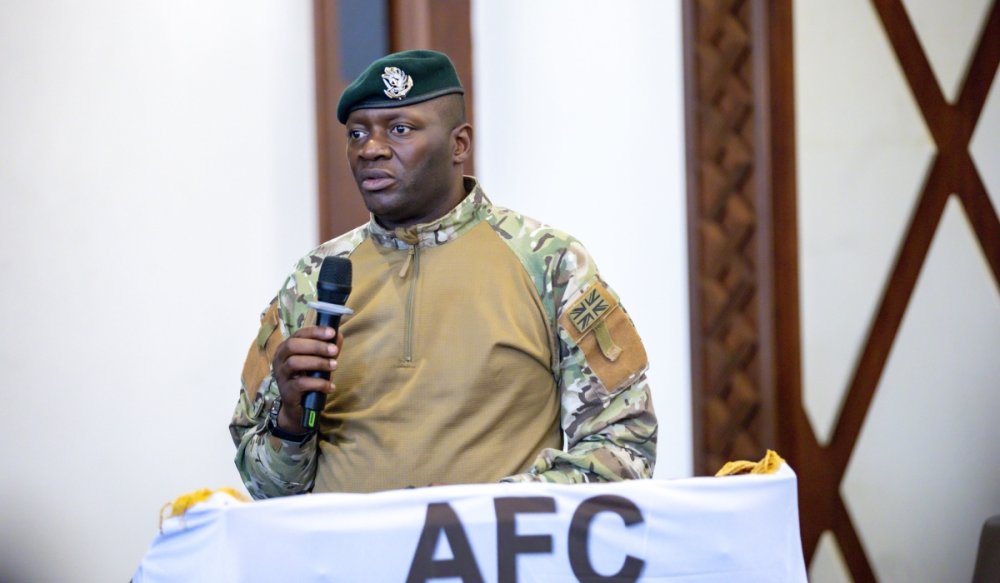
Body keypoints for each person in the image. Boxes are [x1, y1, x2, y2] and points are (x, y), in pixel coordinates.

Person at [230, 50, 657, 498]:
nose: (371, 149)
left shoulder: (550, 263)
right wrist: (291, 423)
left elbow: (624, 448)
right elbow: (266, 490)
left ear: (459, 144)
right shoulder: (314, 279)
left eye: (400, 129)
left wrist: (482, 506)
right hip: (344, 544)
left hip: (491, 541)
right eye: (357, 133)